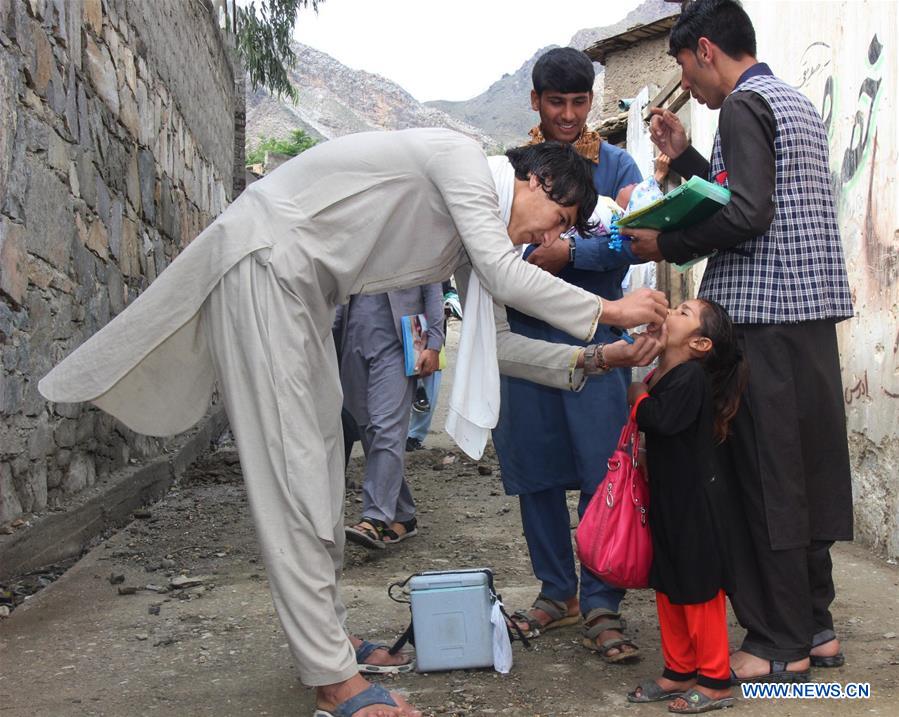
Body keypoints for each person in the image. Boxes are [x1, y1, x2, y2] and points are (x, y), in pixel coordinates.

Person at [39, 129, 668, 717]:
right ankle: (332, 678)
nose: (543, 239)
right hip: (266, 269)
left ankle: (330, 642)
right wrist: (611, 310)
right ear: (535, 181)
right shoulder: (463, 161)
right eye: (557, 220)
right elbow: (510, 275)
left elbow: (497, 344)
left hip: (300, 293)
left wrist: (599, 356)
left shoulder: (475, 236)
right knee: (295, 475)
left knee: (315, 465)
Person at [623, 0, 854, 683]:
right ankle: (816, 627)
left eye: (684, 73)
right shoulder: (791, 103)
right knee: (806, 472)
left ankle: (778, 642)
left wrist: (664, 240)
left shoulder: (741, 108)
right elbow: (753, 195)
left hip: (760, 320)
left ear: (703, 50)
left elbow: (748, 213)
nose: (687, 88)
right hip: (807, 319)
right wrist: (684, 156)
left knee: (765, 477)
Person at [496, 46, 646, 663]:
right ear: (534, 100)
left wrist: (569, 256)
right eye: (555, 101)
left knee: (599, 472)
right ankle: (557, 591)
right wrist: (540, 260)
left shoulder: (617, 164)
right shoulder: (513, 171)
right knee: (536, 473)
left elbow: (634, 241)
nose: (567, 114)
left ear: (592, 101)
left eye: (578, 102)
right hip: (528, 344)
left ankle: (604, 598)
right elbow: (495, 254)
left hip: (598, 343)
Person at [626, 299, 746, 713]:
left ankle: (714, 679)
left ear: (700, 343)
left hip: (696, 504)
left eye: (683, 312)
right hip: (670, 499)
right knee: (670, 582)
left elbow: (663, 421)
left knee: (699, 588)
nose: (671, 313)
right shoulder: (667, 372)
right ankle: (679, 668)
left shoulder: (691, 377)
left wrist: (638, 397)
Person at [339, 284, 444, 548]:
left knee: (386, 427)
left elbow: (433, 286)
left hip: (398, 343)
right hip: (352, 339)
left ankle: (375, 518)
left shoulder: (414, 241)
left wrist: (435, 342)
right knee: (368, 429)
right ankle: (404, 515)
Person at [406, 281, 460, 452]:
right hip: (403, 332)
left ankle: (414, 436)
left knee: (429, 390)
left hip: (431, 337)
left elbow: (446, 289)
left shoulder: (436, 266)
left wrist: (451, 299)